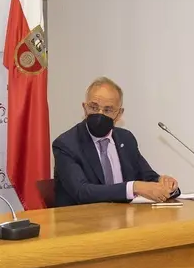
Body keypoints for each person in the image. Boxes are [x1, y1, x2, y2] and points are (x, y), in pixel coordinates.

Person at [52, 77, 178, 207]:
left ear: (119, 114)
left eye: (107, 110)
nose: (99, 114)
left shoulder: (126, 139)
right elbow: (82, 192)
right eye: (94, 107)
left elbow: (148, 177)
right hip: (80, 222)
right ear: (84, 108)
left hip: (123, 221)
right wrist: (133, 187)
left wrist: (165, 184)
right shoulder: (66, 144)